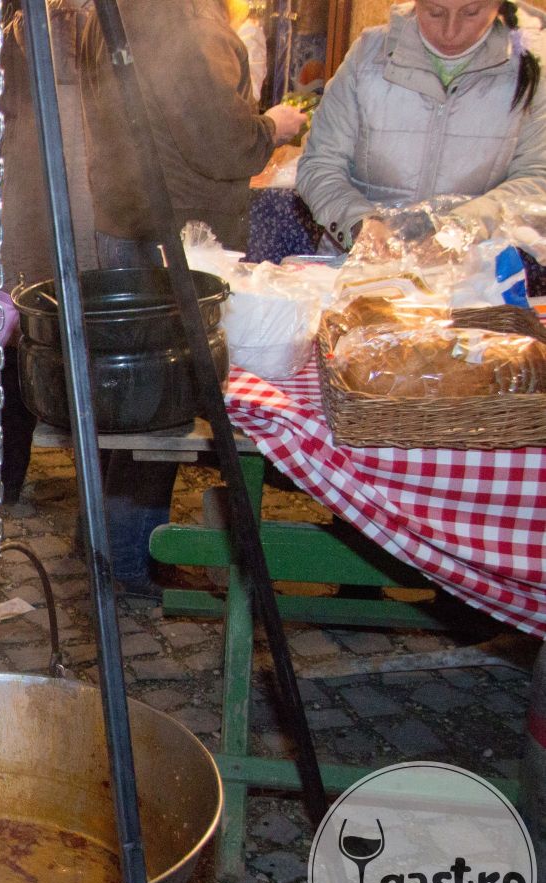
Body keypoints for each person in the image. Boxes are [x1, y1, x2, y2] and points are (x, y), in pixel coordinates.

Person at [69, 0, 306, 599]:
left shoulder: (115, 12)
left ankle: (101, 539)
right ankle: (130, 558)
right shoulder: (189, 24)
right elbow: (220, 142)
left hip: (129, 217)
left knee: (129, 394)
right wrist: (271, 128)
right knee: (161, 405)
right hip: (178, 233)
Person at [297, 0, 546, 249]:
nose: (450, 32)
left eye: (471, 13)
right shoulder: (367, 57)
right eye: (434, 12)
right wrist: (358, 222)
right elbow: (320, 163)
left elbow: (536, 178)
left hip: (476, 267)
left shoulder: (532, 69)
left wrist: (466, 228)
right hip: (354, 264)